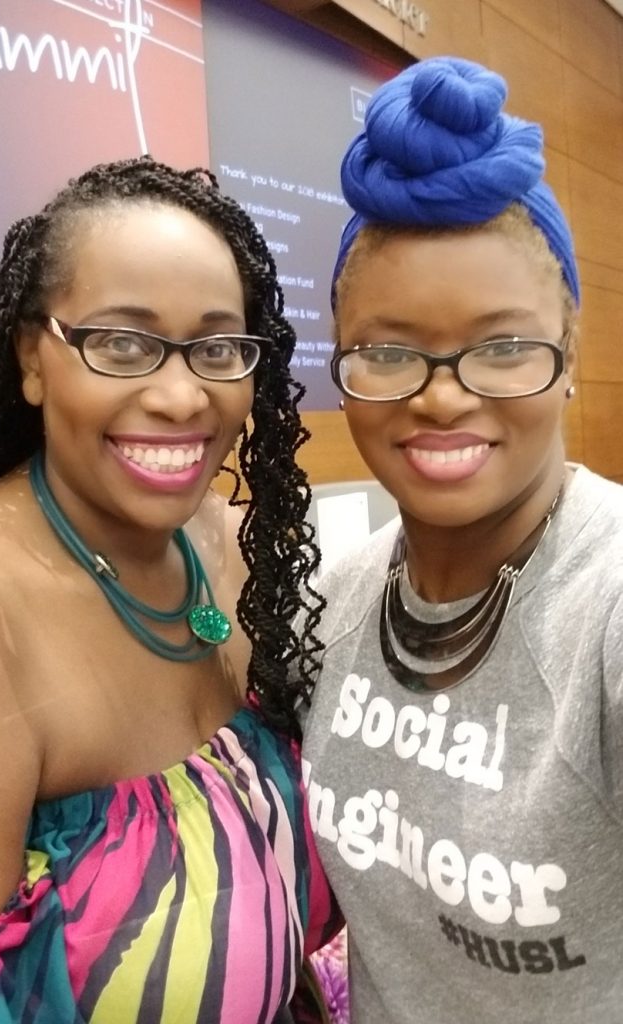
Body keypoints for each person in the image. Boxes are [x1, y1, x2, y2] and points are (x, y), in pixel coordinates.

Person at [0, 155, 338, 1023]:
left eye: (216, 347)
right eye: (123, 342)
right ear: (33, 358)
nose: (181, 396)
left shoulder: (218, 535)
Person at [302, 57, 623, 1023]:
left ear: (569, 354)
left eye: (502, 346)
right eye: (390, 351)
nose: (443, 396)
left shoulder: (603, 603)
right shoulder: (335, 599)